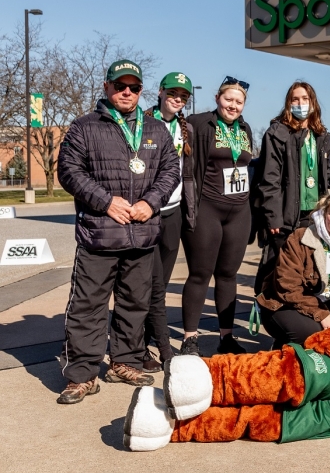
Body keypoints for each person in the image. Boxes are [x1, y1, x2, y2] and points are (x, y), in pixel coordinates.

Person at [56, 59, 180, 404]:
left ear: (142, 91)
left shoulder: (155, 129)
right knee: (87, 306)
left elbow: (172, 171)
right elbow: (68, 171)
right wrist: (105, 201)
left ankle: (124, 361)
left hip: (142, 233)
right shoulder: (84, 127)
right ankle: (82, 374)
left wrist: (151, 202)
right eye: (120, 86)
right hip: (99, 234)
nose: (127, 92)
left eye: (135, 87)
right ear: (106, 87)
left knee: (134, 303)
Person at [180, 76, 254, 356]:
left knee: (228, 275)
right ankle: (190, 338)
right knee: (200, 274)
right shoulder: (199, 123)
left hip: (239, 211)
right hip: (208, 207)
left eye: (239, 101)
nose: (233, 106)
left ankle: (226, 337)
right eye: (228, 99)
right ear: (217, 99)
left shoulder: (245, 129)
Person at [257, 190, 330, 347]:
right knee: (313, 334)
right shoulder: (300, 238)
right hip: (285, 304)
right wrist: (322, 315)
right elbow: (287, 287)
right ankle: (283, 348)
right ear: (324, 213)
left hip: (329, 302)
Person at [139, 72, 198, 373]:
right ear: (160, 92)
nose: (177, 99)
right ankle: (154, 346)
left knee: (160, 283)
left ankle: (148, 341)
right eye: (173, 93)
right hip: (150, 213)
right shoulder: (145, 123)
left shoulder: (183, 128)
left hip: (173, 211)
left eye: (183, 96)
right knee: (148, 284)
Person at [254, 81, 330, 296]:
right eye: (295, 99)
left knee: (307, 270)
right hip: (285, 216)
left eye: (305, 99)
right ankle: (266, 309)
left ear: (313, 103)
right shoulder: (277, 133)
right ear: (288, 104)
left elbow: (325, 176)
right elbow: (269, 179)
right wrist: (273, 216)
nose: (300, 104)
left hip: (313, 214)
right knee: (279, 268)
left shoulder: (321, 136)